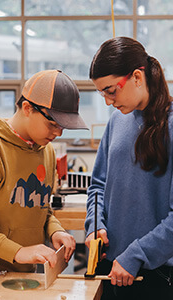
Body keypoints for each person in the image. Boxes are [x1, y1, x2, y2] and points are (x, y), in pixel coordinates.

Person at [0, 69, 88, 273]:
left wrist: (55, 230)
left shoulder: (47, 150)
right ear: (27, 108)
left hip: (25, 275)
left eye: (63, 127)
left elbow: (41, 208)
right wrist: (17, 252)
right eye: (52, 123)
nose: (58, 133)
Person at [85, 37, 173, 299]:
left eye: (111, 91)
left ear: (137, 76)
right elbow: (98, 185)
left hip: (154, 274)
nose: (108, 102)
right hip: (110, 268)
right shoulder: (117, 122)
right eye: (102, 93)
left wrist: (137, 254)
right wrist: (94, 224)